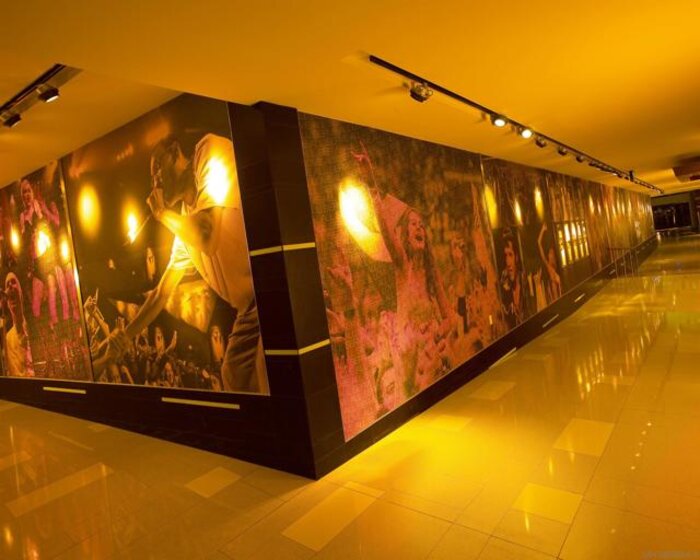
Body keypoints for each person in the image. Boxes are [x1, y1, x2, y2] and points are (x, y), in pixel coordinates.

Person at [102, 133, 268, 393]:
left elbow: (206, 235)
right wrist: (124, 337)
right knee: (235, 374)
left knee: (264, 369)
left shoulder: (209, 153)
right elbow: (161, 293)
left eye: (157, 168)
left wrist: (161, 213)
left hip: (272, 282)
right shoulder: (185, 228)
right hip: (248, 311)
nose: (155, 183)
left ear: (176, 152)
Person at [2, 272, 34, 376]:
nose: (10, 286)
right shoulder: (8, 339)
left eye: (13, 282)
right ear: (7, 303)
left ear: (20, 293)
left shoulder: (32, 328)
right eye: (7, 284)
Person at [499, 228, 525, 330]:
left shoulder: (523, 280)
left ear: (516, 257)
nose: (508, 262)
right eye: (505, 256)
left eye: (510, 255)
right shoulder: (504, 283)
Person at [537, 224, 562, 303]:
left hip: (558, 294)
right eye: (550, 253)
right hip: (552, 294)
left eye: (552, 253)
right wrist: (542, 230)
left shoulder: (555, 267)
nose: (551, 255)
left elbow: (560, 288)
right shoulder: (548, 265)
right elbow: (539, 243)